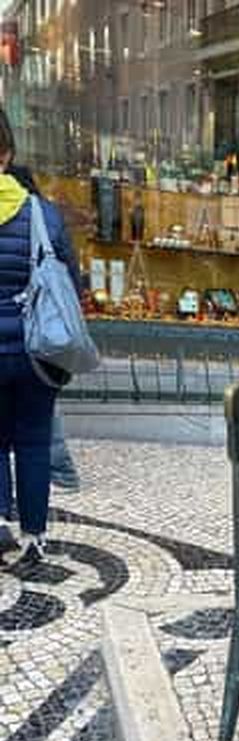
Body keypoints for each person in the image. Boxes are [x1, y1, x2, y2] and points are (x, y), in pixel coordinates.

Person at [0, 111, 80, 562]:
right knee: (33, 441)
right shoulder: (43, 214)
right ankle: (34, 536)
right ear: (7, 155)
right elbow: (71, 284)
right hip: (37, 350)